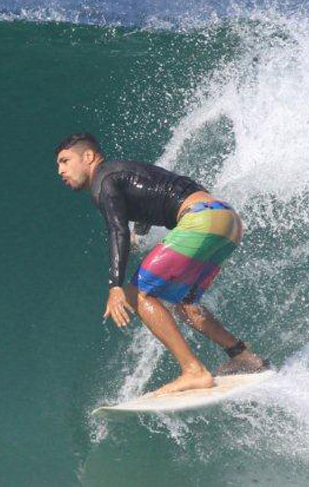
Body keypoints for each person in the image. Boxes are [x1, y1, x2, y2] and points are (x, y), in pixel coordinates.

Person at [55, 132, 269, 396]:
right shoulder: (123, 173)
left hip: (200, 221)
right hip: (227, 223)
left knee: (137, 293)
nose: (60, 170)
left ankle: (193, 371)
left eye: (65, 161)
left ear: (88, 157)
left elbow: (116, 230)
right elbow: (156, 196)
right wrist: (141, 234)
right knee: (186, 306)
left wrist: (115, 286)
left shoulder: (103, 180)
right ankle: (244, 356)